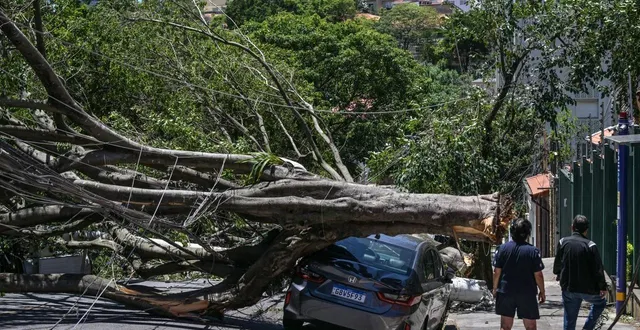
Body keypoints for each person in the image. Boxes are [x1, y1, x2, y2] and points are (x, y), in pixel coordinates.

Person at [553, 215, 607, 330]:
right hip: (588, 289)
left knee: (569, 320)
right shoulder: (590, 245)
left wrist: (558, 274)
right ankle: (587, 328)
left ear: (572, 227)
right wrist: (602, 286)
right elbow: (598, 269)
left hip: (569, 288)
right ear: (586, 230)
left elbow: (557, 264)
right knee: (600, 303)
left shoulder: (563, 242)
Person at [492, 218, 546, 330]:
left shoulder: (502, 249)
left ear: (512, 232)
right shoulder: (533, 251)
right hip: (527, 293)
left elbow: (497, 272)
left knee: (505, 326)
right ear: (527, 233)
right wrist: (542, 291)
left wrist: (495, 288)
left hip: (506, 291)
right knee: (530, 326)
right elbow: (538, 274)